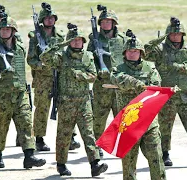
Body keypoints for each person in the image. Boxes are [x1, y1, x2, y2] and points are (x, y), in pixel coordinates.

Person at [144, 16, 187, 166]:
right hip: (165, 95)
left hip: (184, 94)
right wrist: (159, 40)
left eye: (178, 34)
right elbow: (145, 52)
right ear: (168, 34)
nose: (175, 36)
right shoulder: (160, 49)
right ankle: (164, 155)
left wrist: (179, 67)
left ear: (183, 35)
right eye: (172, 34)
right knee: (165, 126)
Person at [40, 23, 108, 177]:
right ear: (68, 42)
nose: (77, 42)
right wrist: (59, 45)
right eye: (73, 40)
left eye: (79, 40)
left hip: (84, 103)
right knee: (64, 135)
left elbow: (93, 76)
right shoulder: (61, 57)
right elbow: (44, 58)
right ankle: (61, 164)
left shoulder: (88, 56)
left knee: (89, 134)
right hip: (66, 103)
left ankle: (94, 164)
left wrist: (79, 74)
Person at [0, 15, 46, 169]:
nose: (5, 31)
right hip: (2, 95)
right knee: (1, 127)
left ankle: (29, 156)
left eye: (8, 29)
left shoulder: (19, 48)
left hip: (20, 94)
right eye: (2, 29)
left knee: (26, 124)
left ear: (13, 31)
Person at [110, 31, 166, 180]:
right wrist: (136, 83)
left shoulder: (150, 68)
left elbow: (156, 86)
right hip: (129, 123)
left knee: (157, 159)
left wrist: (147, 88)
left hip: (149, 122)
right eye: (130, 51)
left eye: (135, 51)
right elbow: (117, 78)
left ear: (141, 52)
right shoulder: (118, 69)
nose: (132, 53)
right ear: (125, 52)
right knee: (129, 163)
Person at [27, 2, 80, 152]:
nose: (50, 20)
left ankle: (70, 137)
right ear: (42, 20)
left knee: (66, 107)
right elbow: (31, 60)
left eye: (52, 18)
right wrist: (43, 66)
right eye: (47, 18)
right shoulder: (35, 38)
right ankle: (39, 139)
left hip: (59, 77)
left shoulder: (62, 36)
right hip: (42, 80)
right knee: (42, 109)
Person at [87, 4, 126, 157]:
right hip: (101, 86)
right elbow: (89, 60)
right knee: (98, 118)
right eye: (103, 22)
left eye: (108, 21)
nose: (105, 24)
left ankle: (122, 145)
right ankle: (97, 147)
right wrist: (98, 71)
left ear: (114, 23)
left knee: (122, 118)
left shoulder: (123, 40)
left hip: (119, 86)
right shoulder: (94, 39)